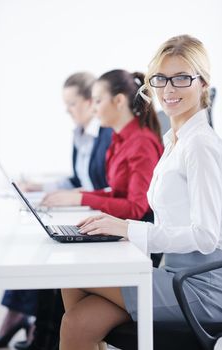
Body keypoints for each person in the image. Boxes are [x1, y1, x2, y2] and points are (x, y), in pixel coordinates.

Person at [59, 34, 222, 350]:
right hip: (173, 275)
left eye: (182, 78)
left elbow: (207, 236)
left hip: (198, 288)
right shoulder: (175, 141)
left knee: (72, 275)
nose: (169, 89)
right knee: (77, 323)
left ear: (203, 83)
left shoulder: (201, 145)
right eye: (161, 78)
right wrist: (122, 233)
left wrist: (129, 229)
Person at [0, 72, 112, 349]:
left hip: (95, 214)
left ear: (91, 101)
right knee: (39, 242)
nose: (68, 111)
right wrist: (39, 186)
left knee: (49, 251)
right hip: (82, 208)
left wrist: (71, 196)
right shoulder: (79, 134)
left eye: (72, 104)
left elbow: (107, 186)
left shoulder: (106, 135)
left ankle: (34, 327)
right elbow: (77, 179)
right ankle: (27, 322)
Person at [41, 69, 163, 221]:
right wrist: (79, 195)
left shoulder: (141, 143)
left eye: (98, 101)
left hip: (138, 236)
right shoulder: (119, 140)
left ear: (119, 101)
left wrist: (81, 199)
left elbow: (136, 208)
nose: (93, 109)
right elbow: (118, 194)